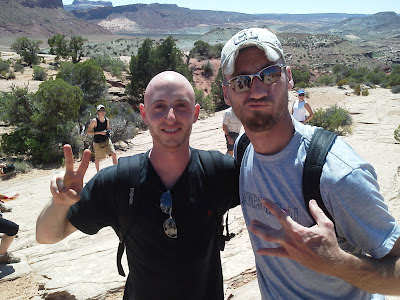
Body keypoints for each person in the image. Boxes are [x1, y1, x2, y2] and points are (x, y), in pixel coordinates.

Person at [221, 27, 400, 298]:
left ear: (288, 77)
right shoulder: (244, 149)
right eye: (241, 82)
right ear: (226, 94)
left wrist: (339, 264)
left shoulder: (337, 174)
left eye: (269, 74)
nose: (256, 90)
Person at [36, 71, 239, 300]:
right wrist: (59, 204)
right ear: (144, 114)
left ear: (195, 113)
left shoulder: (218, 171)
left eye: (181, 106)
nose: (170, 116)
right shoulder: (119, 181)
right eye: (159, 106)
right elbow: (46, 236)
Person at [87, 104, 117, 172]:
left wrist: (108, 132)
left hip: (106, 140)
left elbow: (107, 129)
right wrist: (100, 133)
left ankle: (116, 170)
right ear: (98, 112)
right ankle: (98, 172)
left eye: (103, 110)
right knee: (98, 158)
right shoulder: (94, 121)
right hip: (98, 142)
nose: (102, 112)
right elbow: (88, 132)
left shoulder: (107, 120)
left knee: (114, 154)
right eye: (101, 111)